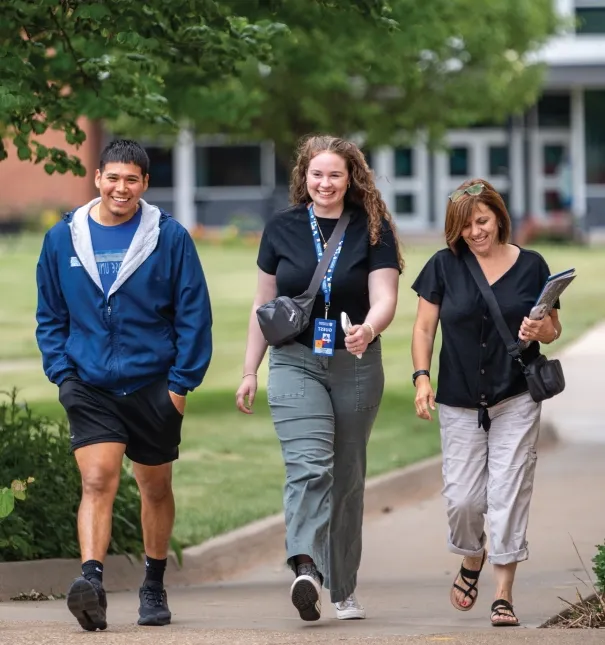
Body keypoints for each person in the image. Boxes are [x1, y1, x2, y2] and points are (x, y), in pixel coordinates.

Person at [35, 139, 213, 631]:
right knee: (97, 480)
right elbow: (50, 314)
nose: (121, 187)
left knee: (154, 487)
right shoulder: (62, 239)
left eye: (131, 179)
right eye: (113, 177)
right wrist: (63, 375)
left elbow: (194, 314)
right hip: (89, 384)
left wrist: (180, 385)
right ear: (97, 178)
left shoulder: (169, 238)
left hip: (154, 384)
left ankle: (153, 585)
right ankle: (91, 582)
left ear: (145, 184)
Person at [236, 135, 402, 622]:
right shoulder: (282, 228)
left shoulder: (374, 228)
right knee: (309, 467)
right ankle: (306, 567)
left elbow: (385, 295)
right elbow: (263, 306)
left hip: (355, 363)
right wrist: (250, 368)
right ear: (303, 177)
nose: (324, 183)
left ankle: (344, 587)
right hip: (294, 360)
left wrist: (369, 328)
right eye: (316, 174)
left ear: (351, 177)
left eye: (334, 174)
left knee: (347, 476)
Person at [410, 179, 562, 627]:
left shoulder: (532, 265)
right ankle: (472, 555)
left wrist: (541, 332)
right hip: (458, 399)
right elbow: (423, 330)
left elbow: (552, 328)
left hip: (515, 395)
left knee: (508, 494)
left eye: (482, 221)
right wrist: (422, 378)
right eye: (465, 226)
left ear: (498, 216)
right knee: (463, 502)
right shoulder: (443, 266)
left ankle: (503, 594)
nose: (476, 232)